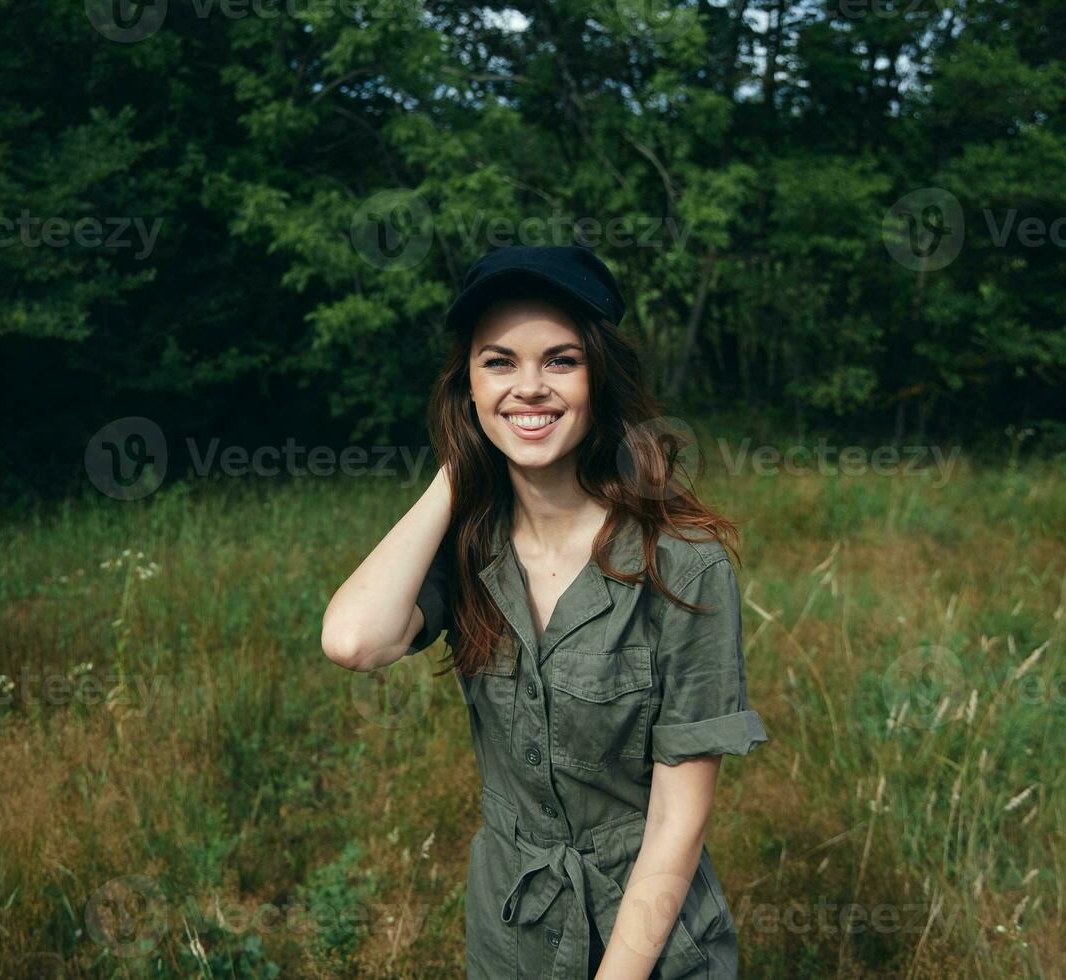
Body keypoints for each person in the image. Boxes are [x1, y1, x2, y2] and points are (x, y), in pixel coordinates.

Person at [322, 244, 767, 979]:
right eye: (498, 363)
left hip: (652, 943)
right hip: (513, 933)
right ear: (467, 383)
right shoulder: (467, 548)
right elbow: (351, 640)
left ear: (600, 378)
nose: (529, 388)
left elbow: (677, 820)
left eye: (560, 361)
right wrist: (462, 468)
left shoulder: (682, 562)